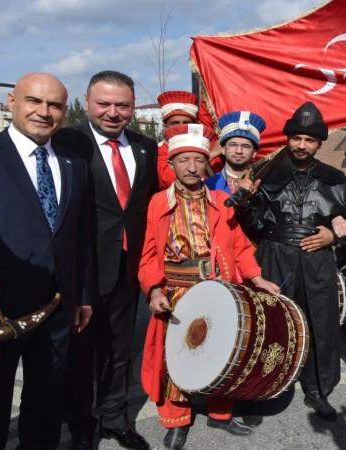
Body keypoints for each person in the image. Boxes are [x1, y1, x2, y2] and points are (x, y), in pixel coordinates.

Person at [0, 73, 92, 450]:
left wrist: (83, 295)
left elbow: (81, 237)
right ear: (12, 102)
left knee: (46, 397)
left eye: (55, 105)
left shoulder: (75, 164)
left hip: (57, 305)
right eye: (34, 101)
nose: (44, 112)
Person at [138, 123, 278, 450]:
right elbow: (146, 254)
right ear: (171, 165)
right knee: (176, 357)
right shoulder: (158, 203)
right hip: (176, 292)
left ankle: (221, 414)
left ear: (207, 164)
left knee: (222, 353)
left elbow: (241, 247)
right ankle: (177, 420)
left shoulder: (221, 200)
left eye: (198, 160)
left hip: (218, 289)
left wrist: (257, 278)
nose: (191, 167)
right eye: (183, 160)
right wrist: (154, 290)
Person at [53, 70, 157, 450]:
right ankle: (81, 425)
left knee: (118, 351)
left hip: (127, 271)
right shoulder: (65, 142)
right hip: (82, 270)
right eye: (104, 103)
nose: (113, 112)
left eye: (122, 105)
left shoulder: (147, 146)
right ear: (86, 102)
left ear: (132, 107)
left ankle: (115, 419)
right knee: (80, 356)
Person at [236, 101, 346, 421]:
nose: (302, 145)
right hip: (274, 255)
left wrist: (335, 235)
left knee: (322, 324)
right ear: (288, 139)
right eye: (296, 138)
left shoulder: (336, 178)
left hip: (317, 259)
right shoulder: (265, 172)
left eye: (309, 140)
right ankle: (260, 390)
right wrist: (246, 202)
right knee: (270, 325)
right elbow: (252, 225)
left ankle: (319, 391)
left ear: (319, 143)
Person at [204, 110, 265, 195]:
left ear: (254, 152)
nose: (239, 151)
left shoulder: (264, 185)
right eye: (233, 145)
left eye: (245, 146)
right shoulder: (207, 186)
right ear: (223, 149)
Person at [156, 91, 199, 189]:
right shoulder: (157, 152)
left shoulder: (205, 146)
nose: (180, 128)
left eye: (185, 123)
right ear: (165, 126)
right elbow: (169, 179)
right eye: (175, 123)